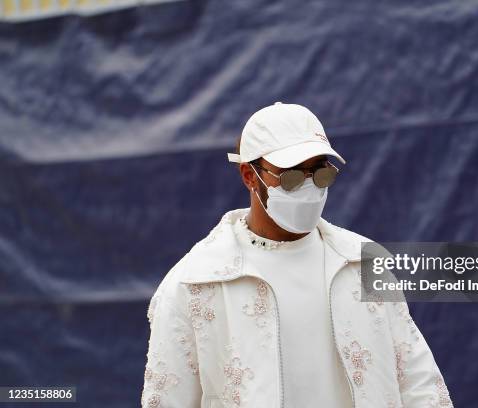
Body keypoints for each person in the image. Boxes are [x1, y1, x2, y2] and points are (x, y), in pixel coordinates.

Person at [141, 102, 453, 407]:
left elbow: (417, 381)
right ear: (250, 176)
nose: (309, 187)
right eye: (291, 176)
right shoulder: (194, 283)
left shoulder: (363, 262)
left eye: (320, 174)